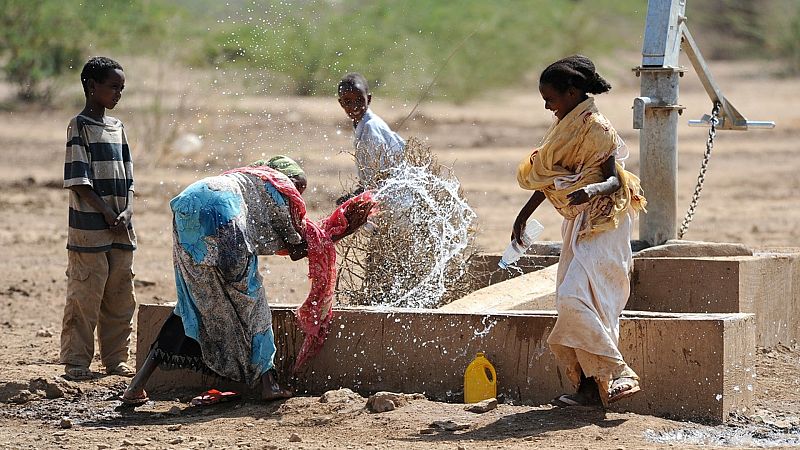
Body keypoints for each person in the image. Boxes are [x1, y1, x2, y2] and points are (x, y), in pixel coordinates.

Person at [121, 156, 375, 405]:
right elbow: (298, 249)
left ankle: (136, 386)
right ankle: (269, 384)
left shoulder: (245, 178)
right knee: (252, 302)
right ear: (288, 178)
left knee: (191, 301)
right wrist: (341, 228)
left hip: (189, 205)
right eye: (299, 187)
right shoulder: (280, 188)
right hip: (225, 217)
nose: (298, 196)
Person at [512, 55, 647, 406]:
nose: (546, 106)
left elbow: (613, 179)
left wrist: (591, 190)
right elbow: (553, 176)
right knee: (570, 298)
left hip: (604, 218)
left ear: (572, 93)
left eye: (550, 99)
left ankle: (619, 372)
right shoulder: (564, 126)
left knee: (581, 296)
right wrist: (524, 215)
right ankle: (589, 388)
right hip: (577, 219)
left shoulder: (597, 127)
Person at [60, 56, 137, 380]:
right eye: (112, 87)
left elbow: (129, 178)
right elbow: (79, 180)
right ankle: (76, 362)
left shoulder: (117, 127)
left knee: (120, 296)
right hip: (90, 229)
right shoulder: (79, 126)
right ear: (92, 87)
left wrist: (127, 210)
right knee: (85, 295)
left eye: (121, 88)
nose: (118, 94)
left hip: (120, 228)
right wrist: (107, 213)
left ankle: (116, 359)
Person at [336, 72, 405, 204]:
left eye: (359, 100)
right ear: (341, 103)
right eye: (348, 101)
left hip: (394, 196)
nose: (354, 106)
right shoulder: (360, 123)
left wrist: (357, 196)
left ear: (369, 99)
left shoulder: (370, 128)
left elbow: (381, 176)